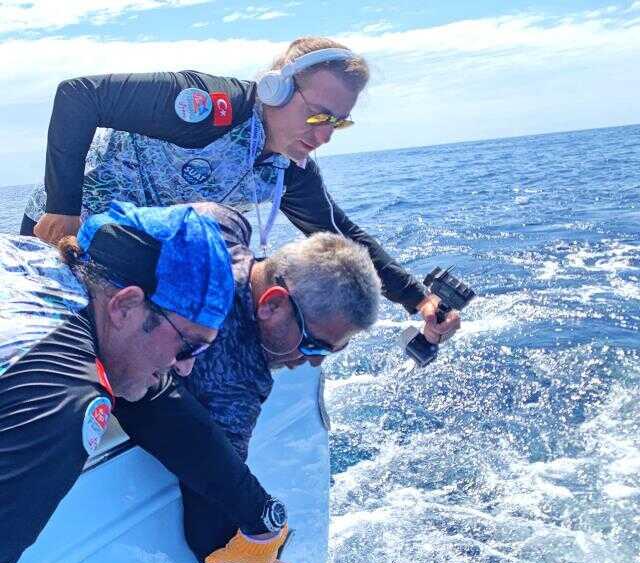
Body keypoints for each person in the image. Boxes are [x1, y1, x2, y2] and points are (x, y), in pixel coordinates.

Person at [0, 201, 288, 563]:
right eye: (187, 347)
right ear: (127, 305)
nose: (186, 369)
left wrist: (255, 512)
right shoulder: (63, 404)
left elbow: (158, 401)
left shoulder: (43, 266)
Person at [21, 36, 461, 351]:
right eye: (316, 116)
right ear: (277, 88)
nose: (324, 136)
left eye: (337, 122)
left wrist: (417, 298)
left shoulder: (289, 167)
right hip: (61, 232)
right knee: (47, 345)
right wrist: (62, 206)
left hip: (128, 254)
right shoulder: (206, 107)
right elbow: (79, 97)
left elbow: (340, 234)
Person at [181, 201, 381, 563]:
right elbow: (209, 532)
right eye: (313, 344)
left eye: (331, 352)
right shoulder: (236, 384)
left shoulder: (219, 221)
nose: (312, 360)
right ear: (272, 303)